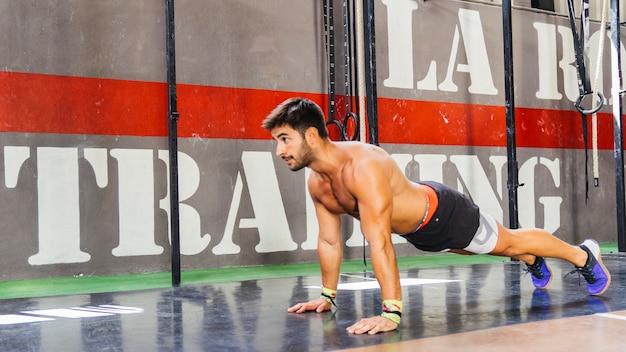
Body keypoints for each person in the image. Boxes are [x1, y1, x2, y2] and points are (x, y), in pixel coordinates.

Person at [262, 97, 612, 335]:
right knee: (492, 249)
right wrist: (327, 296)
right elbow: (328, 239)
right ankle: (533, 257)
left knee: (507, 242)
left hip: (444, 214)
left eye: (284, 139)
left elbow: (380, 242)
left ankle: (583, 254)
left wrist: (391, 313)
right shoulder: (318, 182)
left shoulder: (362, 168)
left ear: (310, 134)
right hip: (421, 231)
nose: (280, 151)